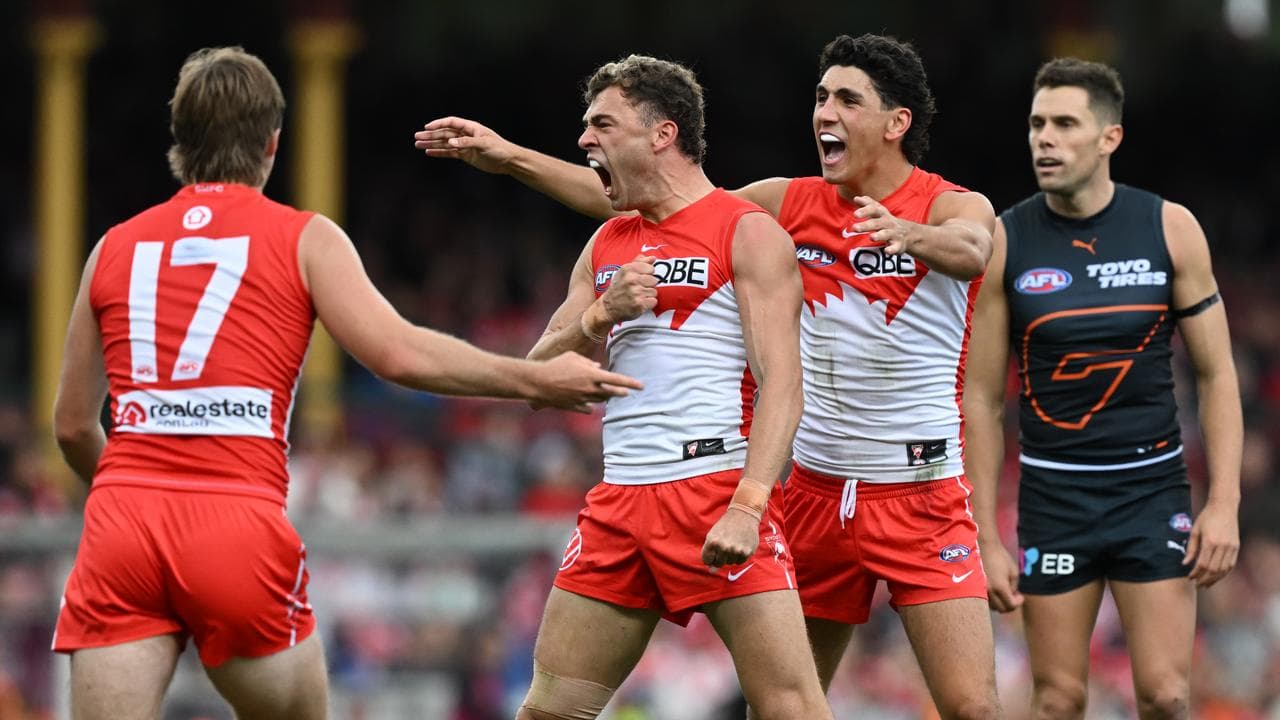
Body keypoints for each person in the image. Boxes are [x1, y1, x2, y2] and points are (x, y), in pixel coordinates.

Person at [416, 34, 1000, 719]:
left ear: (896, 122)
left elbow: (973, 249)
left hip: (907, 488)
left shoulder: (938, 207)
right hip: (800, 489)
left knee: (964, 709)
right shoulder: (774, 205)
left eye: (847, 99)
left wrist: (911, 236)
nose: (824, 113)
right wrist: (511, 161)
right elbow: (647, 206)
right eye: (819, 97)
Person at [49, 46, 642, 720]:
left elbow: (71, 425)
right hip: (235, 521)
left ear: (179, 143)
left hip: (121, 523)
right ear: (272, 144)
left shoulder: (114, 246)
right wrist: (535, 377)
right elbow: (397, 355)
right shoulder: (303, 238)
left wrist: (140, 497)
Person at [509, 54, 831, 720]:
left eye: (602, 123)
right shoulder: (606, 242)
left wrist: (748, 504)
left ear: (663, 133)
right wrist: (600, 315)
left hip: (714, 488)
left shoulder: (745, 230)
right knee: (548, 711)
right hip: (620, 501)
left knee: (789, 709)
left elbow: (784, 386)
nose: (584, 140)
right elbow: (534, 380)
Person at [963, 58, 1242, 719]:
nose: (1044, 139)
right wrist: (984, 535)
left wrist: (1224, 502)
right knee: (1057, 700)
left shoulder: (1170, 228)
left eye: (1064, 124)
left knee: (1167, 695)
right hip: (1054, 494)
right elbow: (979, 397)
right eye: (1036, 124)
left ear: (1109, 138)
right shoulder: (1008, 238)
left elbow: (1218, 372)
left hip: (1151, 490)